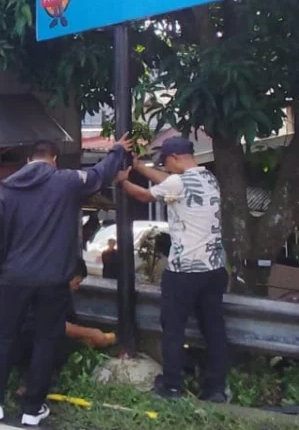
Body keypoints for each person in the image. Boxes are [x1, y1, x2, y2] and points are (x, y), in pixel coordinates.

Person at [0, 135, 132, 427]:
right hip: (53, 279)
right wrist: (118, 150)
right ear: (54, 159)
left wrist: (1, 271)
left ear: (29, 159)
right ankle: (33, 409)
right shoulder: (65, 181)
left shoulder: (9, 187)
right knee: (46, 340)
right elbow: (100, 174)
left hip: (15, 277)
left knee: (4, 339)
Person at [116, 136, 229, 403]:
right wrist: (140, 167)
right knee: (214, 329)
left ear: (176, 158)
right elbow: (166, 182)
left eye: (165, 163)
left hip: (184, 272)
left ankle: (172, 386)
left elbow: (144, 195)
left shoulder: (177, 181)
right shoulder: (209, 178)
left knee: (174, 329)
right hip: (214, 270)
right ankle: (215, 389)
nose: (165, 168)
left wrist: (122, 180)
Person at [11, 259, 115, 398]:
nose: (77, 287)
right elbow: (56, 324)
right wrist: (91, 333)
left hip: (21, 338)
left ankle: (31, 382)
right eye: (77, 282)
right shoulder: (53, 292)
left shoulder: (49, 284)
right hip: (26, 340)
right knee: (58, 343)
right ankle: (32, 385)